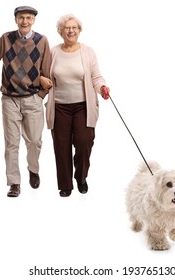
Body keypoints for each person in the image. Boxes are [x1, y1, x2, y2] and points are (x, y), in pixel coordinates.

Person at [0, 6, 51, 197]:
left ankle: (33, 169)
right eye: (21, 18)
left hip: (32, 98)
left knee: (35, 142)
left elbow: (47, 73)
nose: (25, 21)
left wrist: (40, 95)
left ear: (33, 20)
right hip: (10, 100)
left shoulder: (42, 41)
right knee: (11, 143)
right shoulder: (6, 38)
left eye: (29, 18)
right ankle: (14, 183)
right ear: (15, 19)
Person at [40, 14, 110, 197]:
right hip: (59, 106)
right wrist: (41, 81)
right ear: (61, 31)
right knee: (61, 146)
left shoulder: (88, 52)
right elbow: (44, 76)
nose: (70, 31)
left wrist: (102, 87)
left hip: (83, 106)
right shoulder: (53, 52)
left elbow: (96, 76)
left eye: (74, 28)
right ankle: (65, 185)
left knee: (84, 142)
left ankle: (81, 177)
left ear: (79, 31)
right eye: (66, 28)